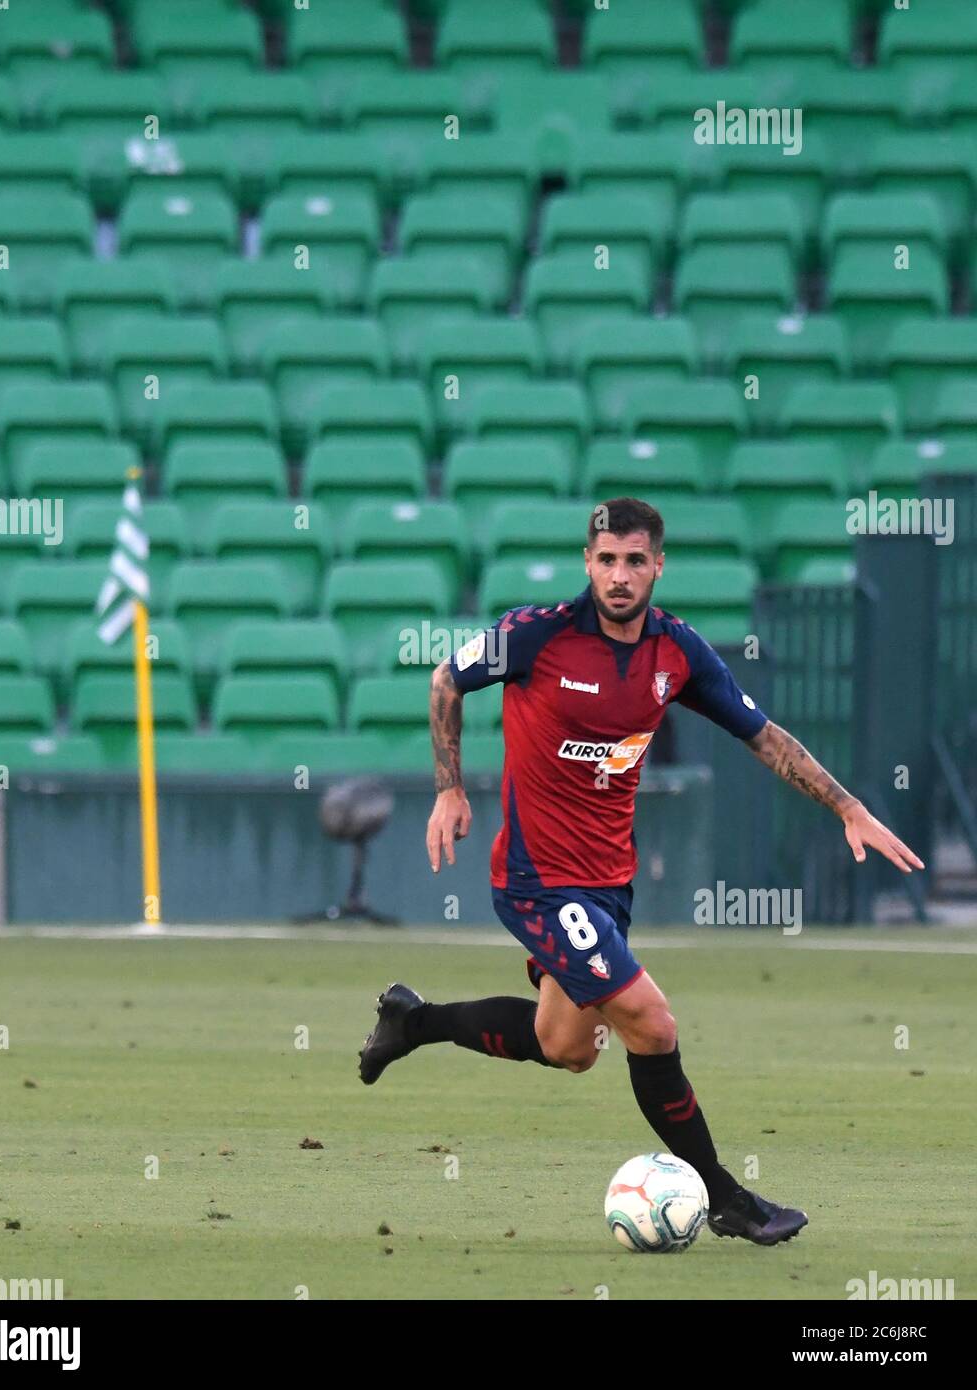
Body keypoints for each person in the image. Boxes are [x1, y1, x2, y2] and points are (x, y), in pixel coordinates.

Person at [359, 498, 924, 1245]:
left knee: (565, 1046)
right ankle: (727, 1199)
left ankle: (414, 1021)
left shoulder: (677, 654)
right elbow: (444, 681)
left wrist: (847, 806)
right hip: (538, 882)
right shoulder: (537, 636)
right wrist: (449, 788)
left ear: (658, 564)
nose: (619, 576)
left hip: (607, 884)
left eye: (634, 561)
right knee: (652, 1026)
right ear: (587, 563)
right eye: (605, 560)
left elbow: (763, 736)